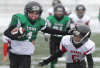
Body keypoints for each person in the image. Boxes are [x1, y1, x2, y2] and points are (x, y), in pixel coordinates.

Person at [4, 1, 73, 68]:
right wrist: (16, 36)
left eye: (37, 13)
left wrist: (66, 32)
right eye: (32, 13)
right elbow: (6, 32)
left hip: (26, 52)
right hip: (14, 51)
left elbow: (51, 31)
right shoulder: (20, 19)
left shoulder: (39, 22)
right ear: (26, 12)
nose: (34, 15)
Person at [44, 4, 71, 68]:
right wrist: (46, 34)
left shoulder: (67, 19)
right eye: (57, 11)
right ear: (54, 12)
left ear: (64, 12)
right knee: (52, 54)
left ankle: (55, 60)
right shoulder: (50, 18)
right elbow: (47, 28)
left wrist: (69, 37)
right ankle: (52, 66)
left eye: (61, 12)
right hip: (53, 37)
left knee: (60, 54)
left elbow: (68, 29)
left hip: (62, 38)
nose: (59, 13)